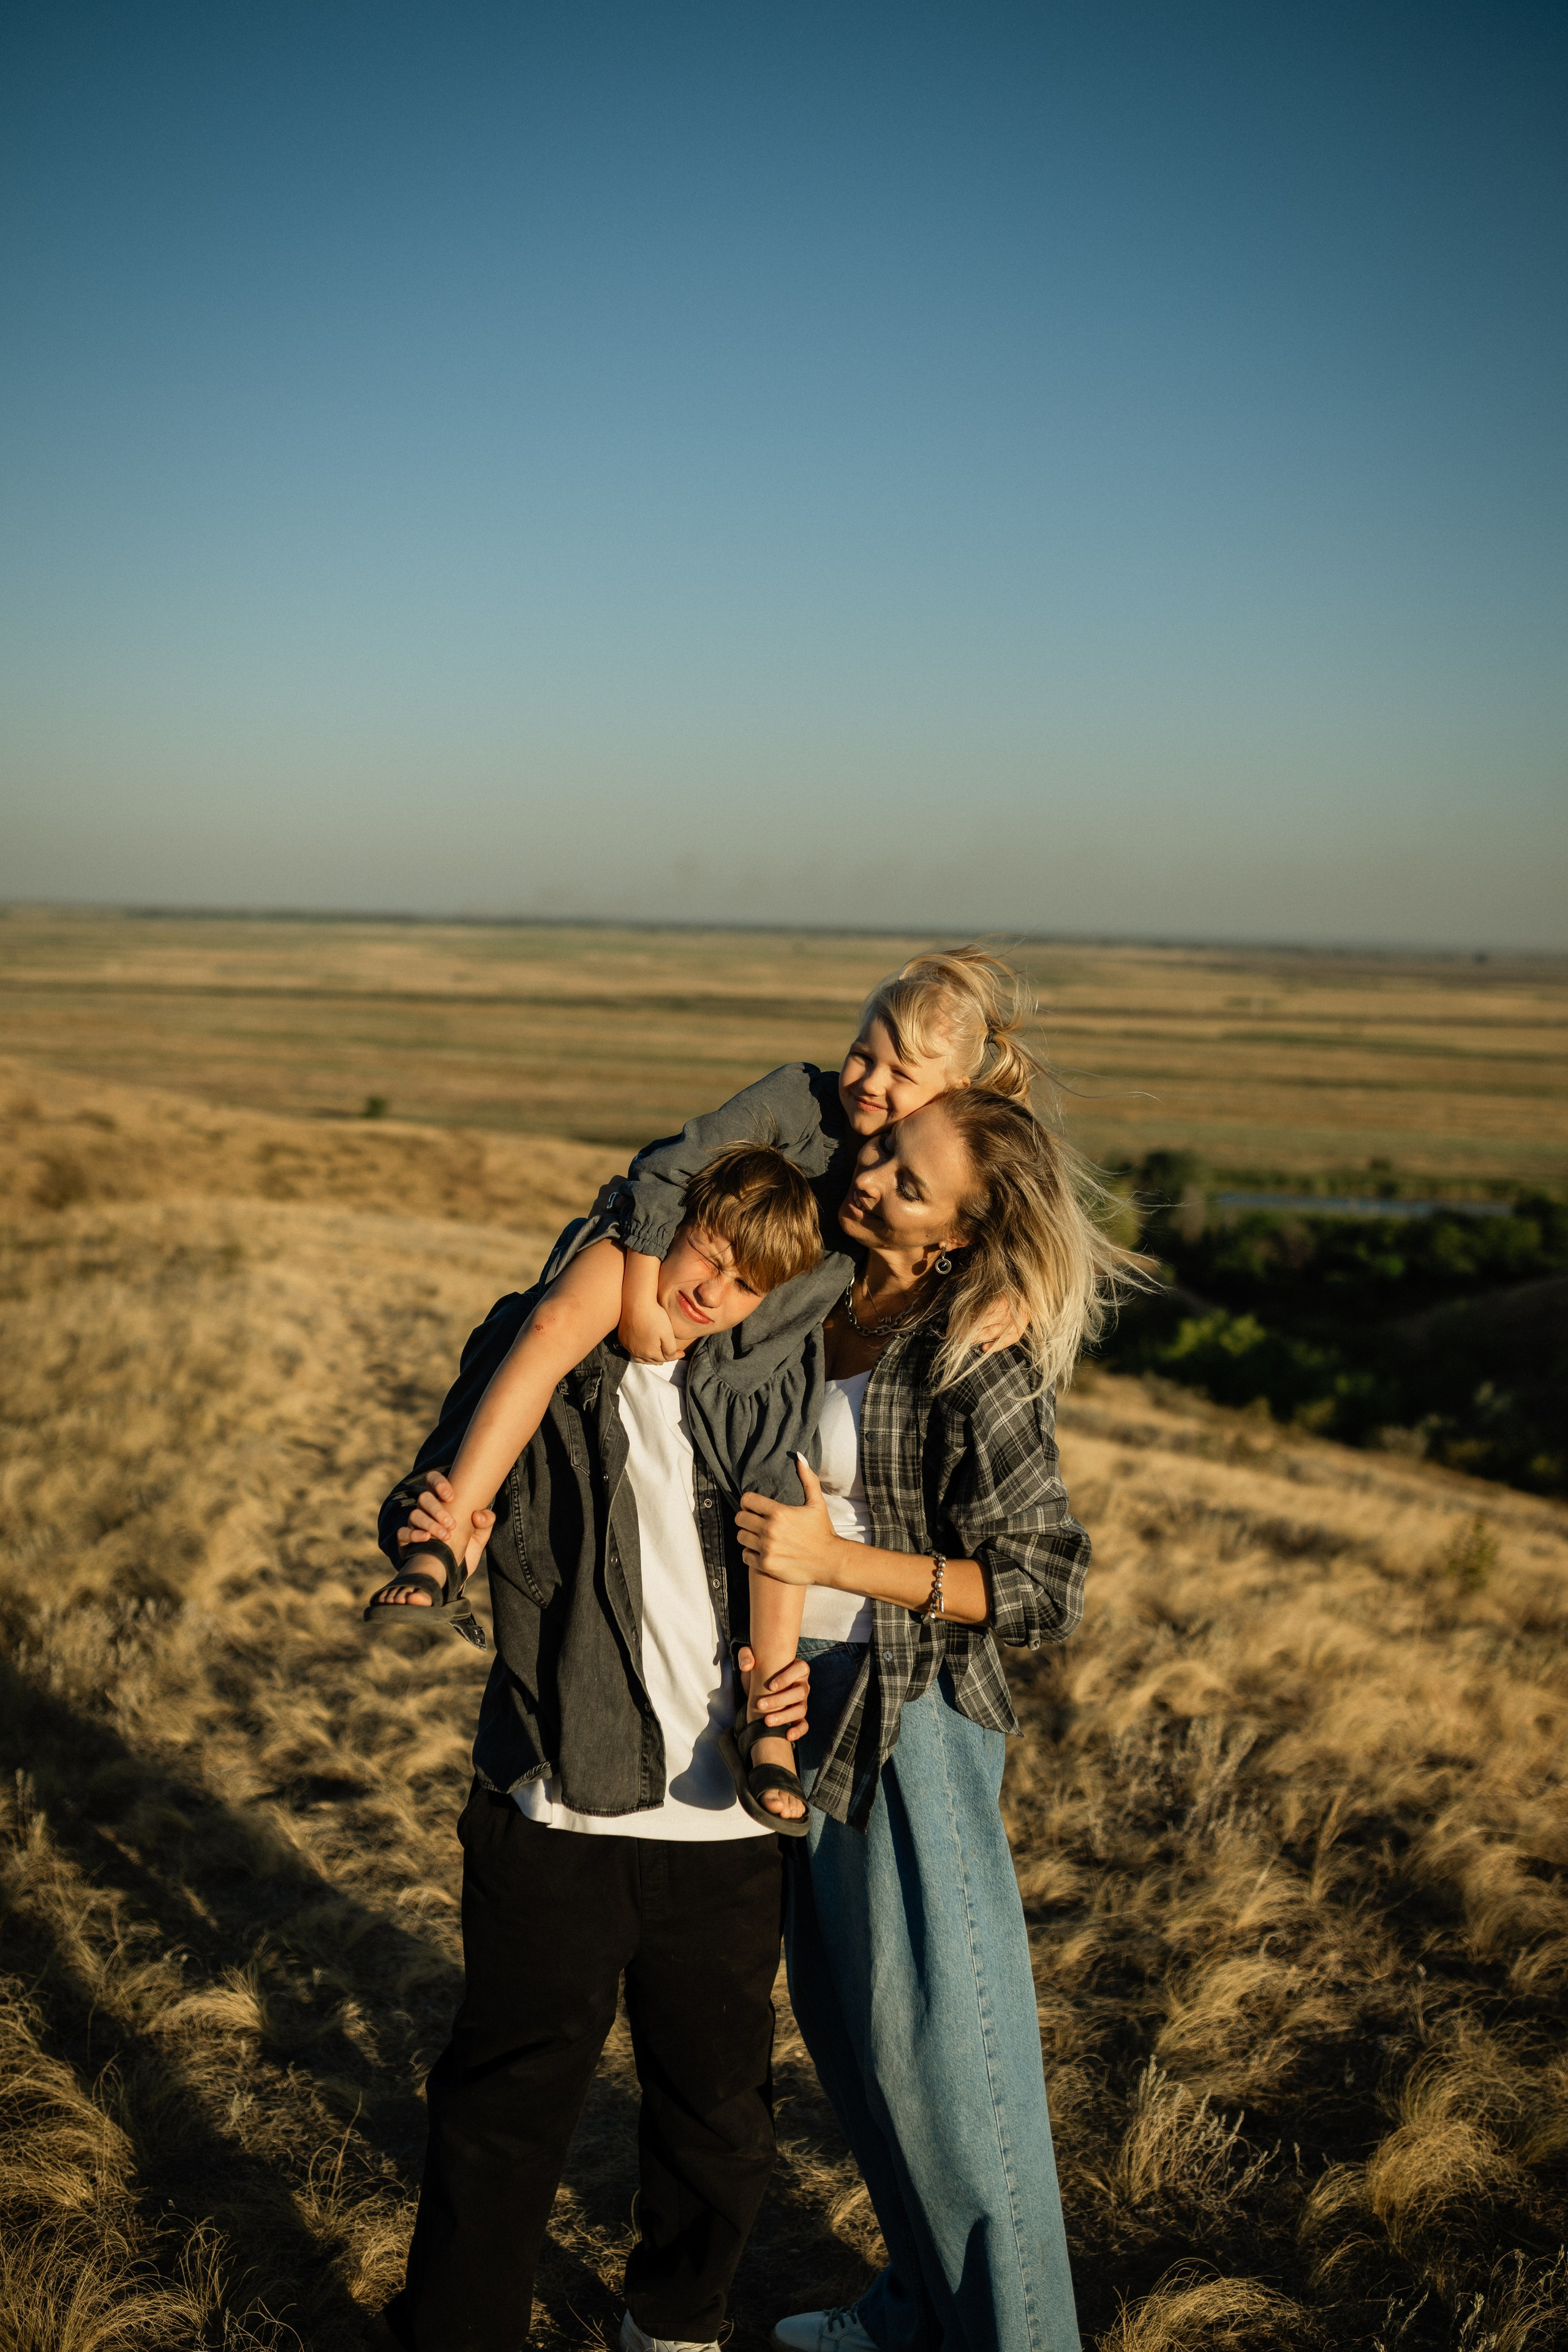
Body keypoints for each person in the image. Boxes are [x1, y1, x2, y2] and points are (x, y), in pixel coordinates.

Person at [366, 946, 1041, 1829]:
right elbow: (669, 1168)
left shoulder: (924, 1170)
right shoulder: (799, 1099)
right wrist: (645, 1293)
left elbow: (978, 1214)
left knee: (778, 1489)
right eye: (864, 1051)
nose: (869, 1081)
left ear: (949, 1096)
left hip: (759, 1339)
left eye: (901, 1075)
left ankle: (768, 1729)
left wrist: (1012, 1283)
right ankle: (444, 1543)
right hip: (669, 1242)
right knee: (546, 1333)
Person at [367, 1145, 827, 2352]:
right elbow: (439, 1487)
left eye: (741, 1283)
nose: (712, 1292)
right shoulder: (546, 1349)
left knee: (715, 2116)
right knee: (504, 2102)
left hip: (723, 1833)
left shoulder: (758, 1390)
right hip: (551, 1813)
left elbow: (795, 1561)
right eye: (705, 1258)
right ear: (661, 1231)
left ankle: (674, 2325)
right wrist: (433, 1539)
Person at [731, 1087, 1136, 2352]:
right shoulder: (817, 1287)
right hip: (801, 1716)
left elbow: (1040, 1582)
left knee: (953, 2077)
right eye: (880, 1155)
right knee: (860, 2060)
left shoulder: (975, 1345)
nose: (869, 1182)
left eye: (906, 1184)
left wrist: (840, 1564)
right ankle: (913, 2313)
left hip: (912, 1728)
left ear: (959, 1235)